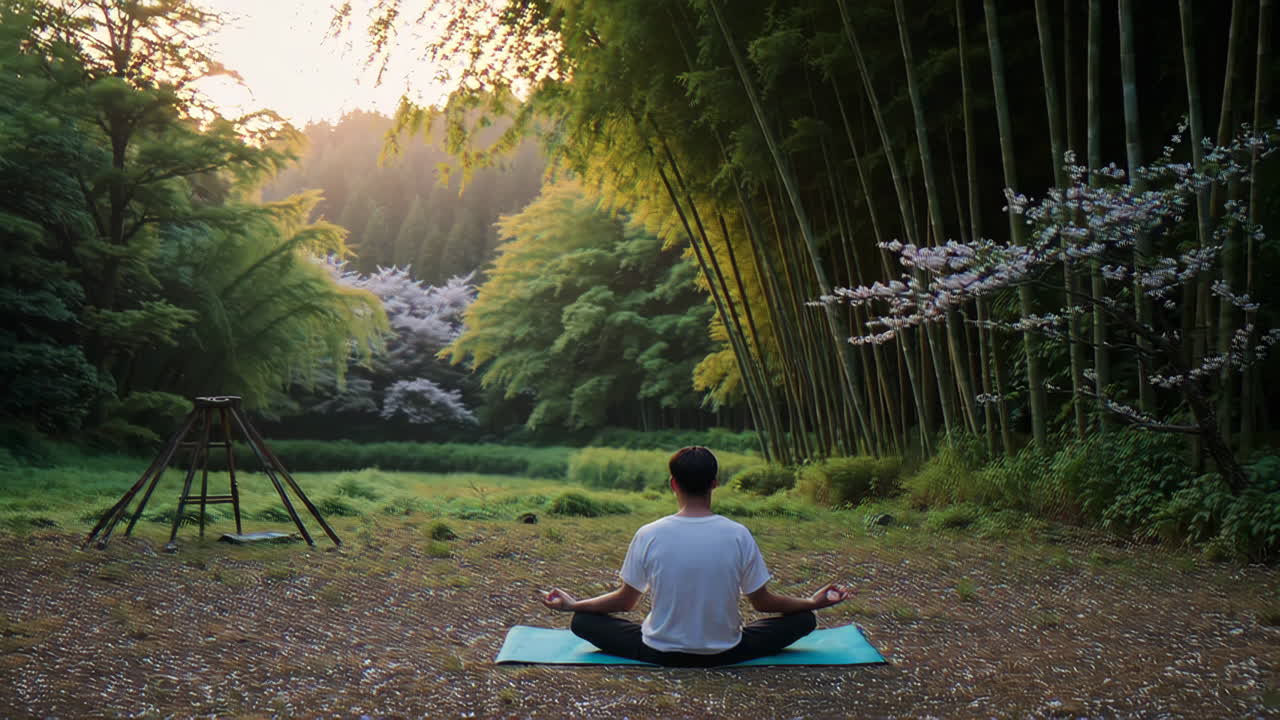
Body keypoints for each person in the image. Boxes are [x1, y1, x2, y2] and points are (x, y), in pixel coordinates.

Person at [541, 446, 849, 667]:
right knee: (805, 620)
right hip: (726, 652)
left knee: (582, 621)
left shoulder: (649, 533)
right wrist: (812, 603)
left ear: (673, 484)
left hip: (659, 651)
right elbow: (762, 603)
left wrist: (572, 605)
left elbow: (625, 601)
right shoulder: (737, 533)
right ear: (714, 483)